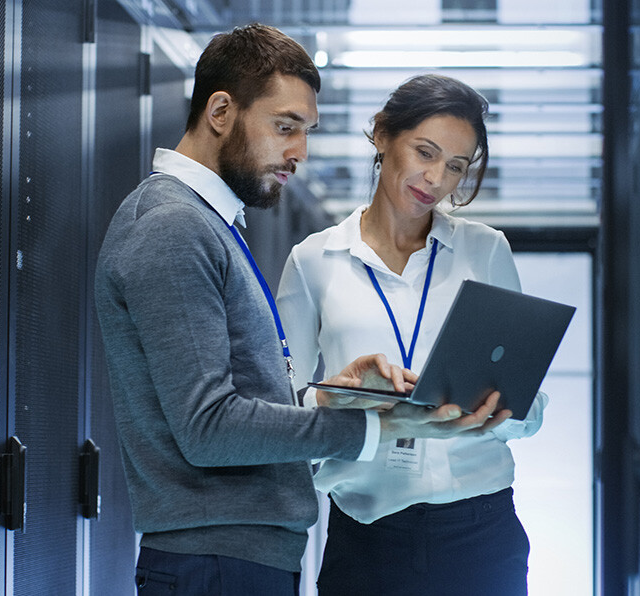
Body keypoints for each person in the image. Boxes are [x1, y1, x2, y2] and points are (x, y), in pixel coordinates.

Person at [93, 26, 510, 596]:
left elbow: (250, 403)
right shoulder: (173, 227)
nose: (299, 153)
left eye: (306, 132)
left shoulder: (207, 225)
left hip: (237, 555)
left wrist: (330, 394)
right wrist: (369, 423)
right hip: (218, 558)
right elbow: (208, 427)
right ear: (221, 111)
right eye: (285, 127)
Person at [277, 74, 548, 595]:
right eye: (425, 152)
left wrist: (498, 410)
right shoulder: (314, 260)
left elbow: (528, 403)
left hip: (481, 529)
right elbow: (279, 408)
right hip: (365, 532)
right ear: (382, 135)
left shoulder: (485, 251)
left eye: (455, 167)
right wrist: (339, 397)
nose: (436, 179)